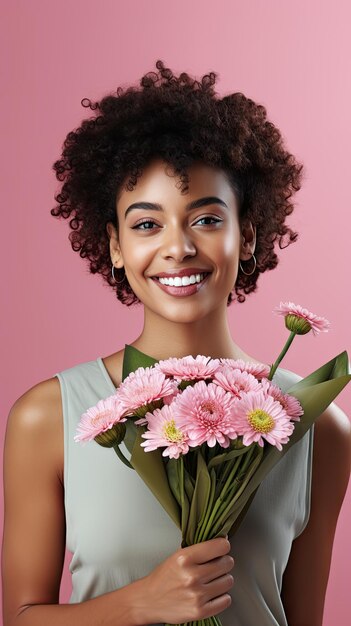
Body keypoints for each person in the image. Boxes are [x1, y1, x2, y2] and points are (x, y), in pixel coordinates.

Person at [2, 59, 350, 626]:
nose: (178, 247)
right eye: (146, 225)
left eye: (207, 219)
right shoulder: (49, 416)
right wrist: (139, 602)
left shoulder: (319, 428)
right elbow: (19, 618)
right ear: (114, 246)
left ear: (250, 234)